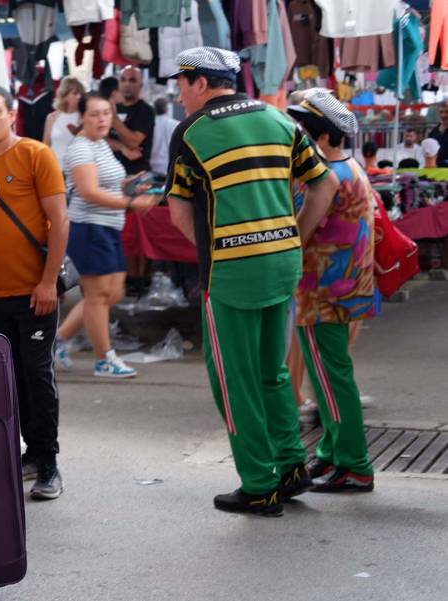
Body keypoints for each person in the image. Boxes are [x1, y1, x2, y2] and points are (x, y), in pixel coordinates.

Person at [165, 47, 339, 517]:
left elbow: (179, 209)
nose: (179, 94)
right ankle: (290, 467)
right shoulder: (282, 121)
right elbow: (325, 184)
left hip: (230, 273)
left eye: (182, 84)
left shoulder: (193, 132)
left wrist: (211, 247)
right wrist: (293, 238)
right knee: (272, 371)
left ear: (201, 83)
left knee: (234, 380)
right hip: (281, 265)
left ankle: (259, 484)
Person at [0, 84, 69, 500]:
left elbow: (59, 222)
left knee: (37, 376)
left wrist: (48, 282)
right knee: (9, 379)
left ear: (12, 113)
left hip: (35, 292)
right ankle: (28, 454)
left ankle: (48, 462)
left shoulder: (35, 155)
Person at [286, 89, 378, 493]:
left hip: (324, 292)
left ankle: (355, 464)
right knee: (330, 375)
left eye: (302, 128)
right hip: (341, 289)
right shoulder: (350, 168)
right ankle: (332, 452)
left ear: (321, 136)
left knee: (330, 377)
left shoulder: (325, 177)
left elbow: (299, 230)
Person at [54, 92, 157, 377]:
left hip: (108, 228)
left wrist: (132, 184)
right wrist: (130, 203)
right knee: (98, 295)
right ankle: (104, 359)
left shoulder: (100, 145)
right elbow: (88, 191)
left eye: (106, 114)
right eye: (94, 114)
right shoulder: (81, 148)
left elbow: (106, 184)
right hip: (89, 228)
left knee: (112, 293)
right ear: (82, 117)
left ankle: (59, 340)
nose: (101, 119)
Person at [109, 65, 155, 174]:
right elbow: (101, 140)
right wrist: (122, 147)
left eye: (132, 80)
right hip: (111, 173)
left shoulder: (146, 110)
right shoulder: (115, 107)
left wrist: (114, 118)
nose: (127, 84)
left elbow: (133, 142)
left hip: (135, 176)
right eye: (123, 80)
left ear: (141, 85)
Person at [42, 76, 85, 163]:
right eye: (75, 93)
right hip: (54, 168)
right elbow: (45, 146)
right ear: (64, 95)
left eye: (81, 93)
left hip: (76, 169)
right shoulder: (52, 117)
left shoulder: (85, 117)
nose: (79, 96)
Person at [149, 97, 178, 175]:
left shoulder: (149, 125)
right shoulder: (176, 124)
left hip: (152, 165)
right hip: (169, 165)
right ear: (167, 109)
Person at [426, 102, 448, 167]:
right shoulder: (433, 132)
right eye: (441, 112)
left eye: (447, 112)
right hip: (436, 168)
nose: (443, 115)